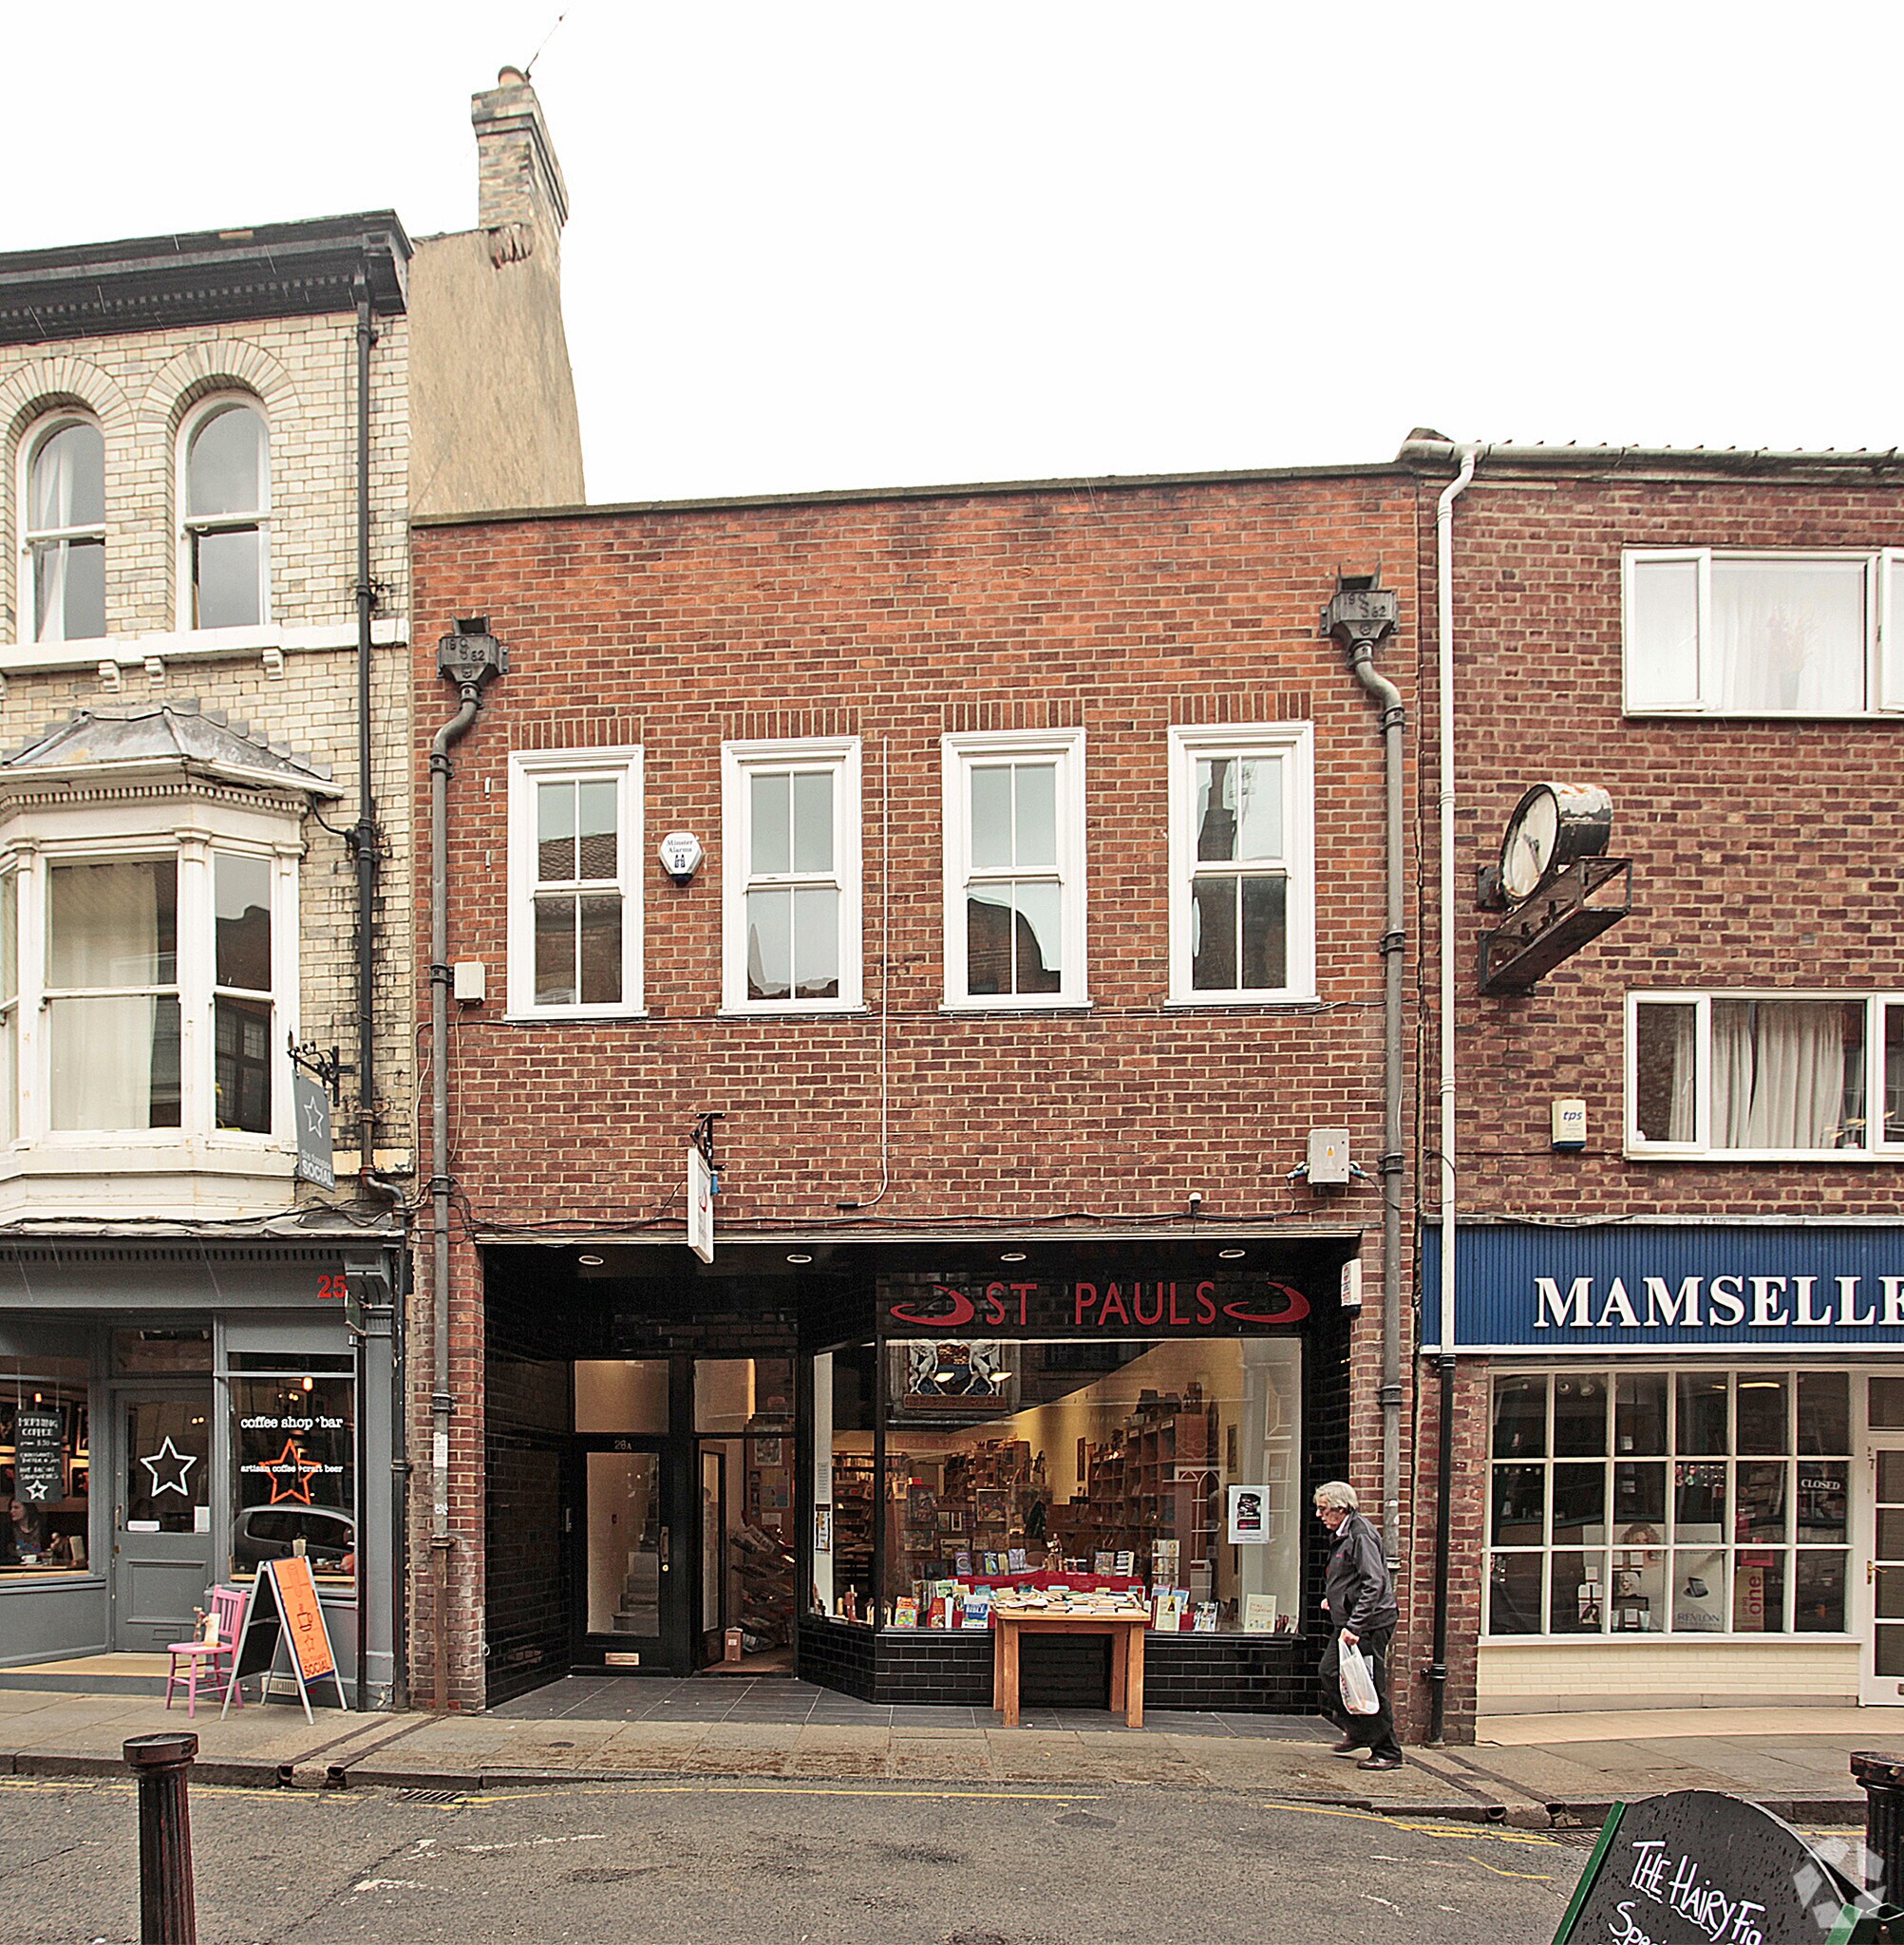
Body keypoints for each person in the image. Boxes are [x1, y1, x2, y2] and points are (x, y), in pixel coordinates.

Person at [1314, 1480, 1403, 1770]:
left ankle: (1387, 1751)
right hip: (1349, 1622)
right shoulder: (1345, 1532)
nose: (1319, 1514)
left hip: (1368, 1625)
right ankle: (1359, 1730)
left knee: (1369, 1687)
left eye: (1324, 1509)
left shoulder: (1360, 1534)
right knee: (1329, 1673)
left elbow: (1373, 1582)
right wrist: (1335, 1600)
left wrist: (1355, 1624)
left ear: (1341, 1508)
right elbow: (1350, 1578)